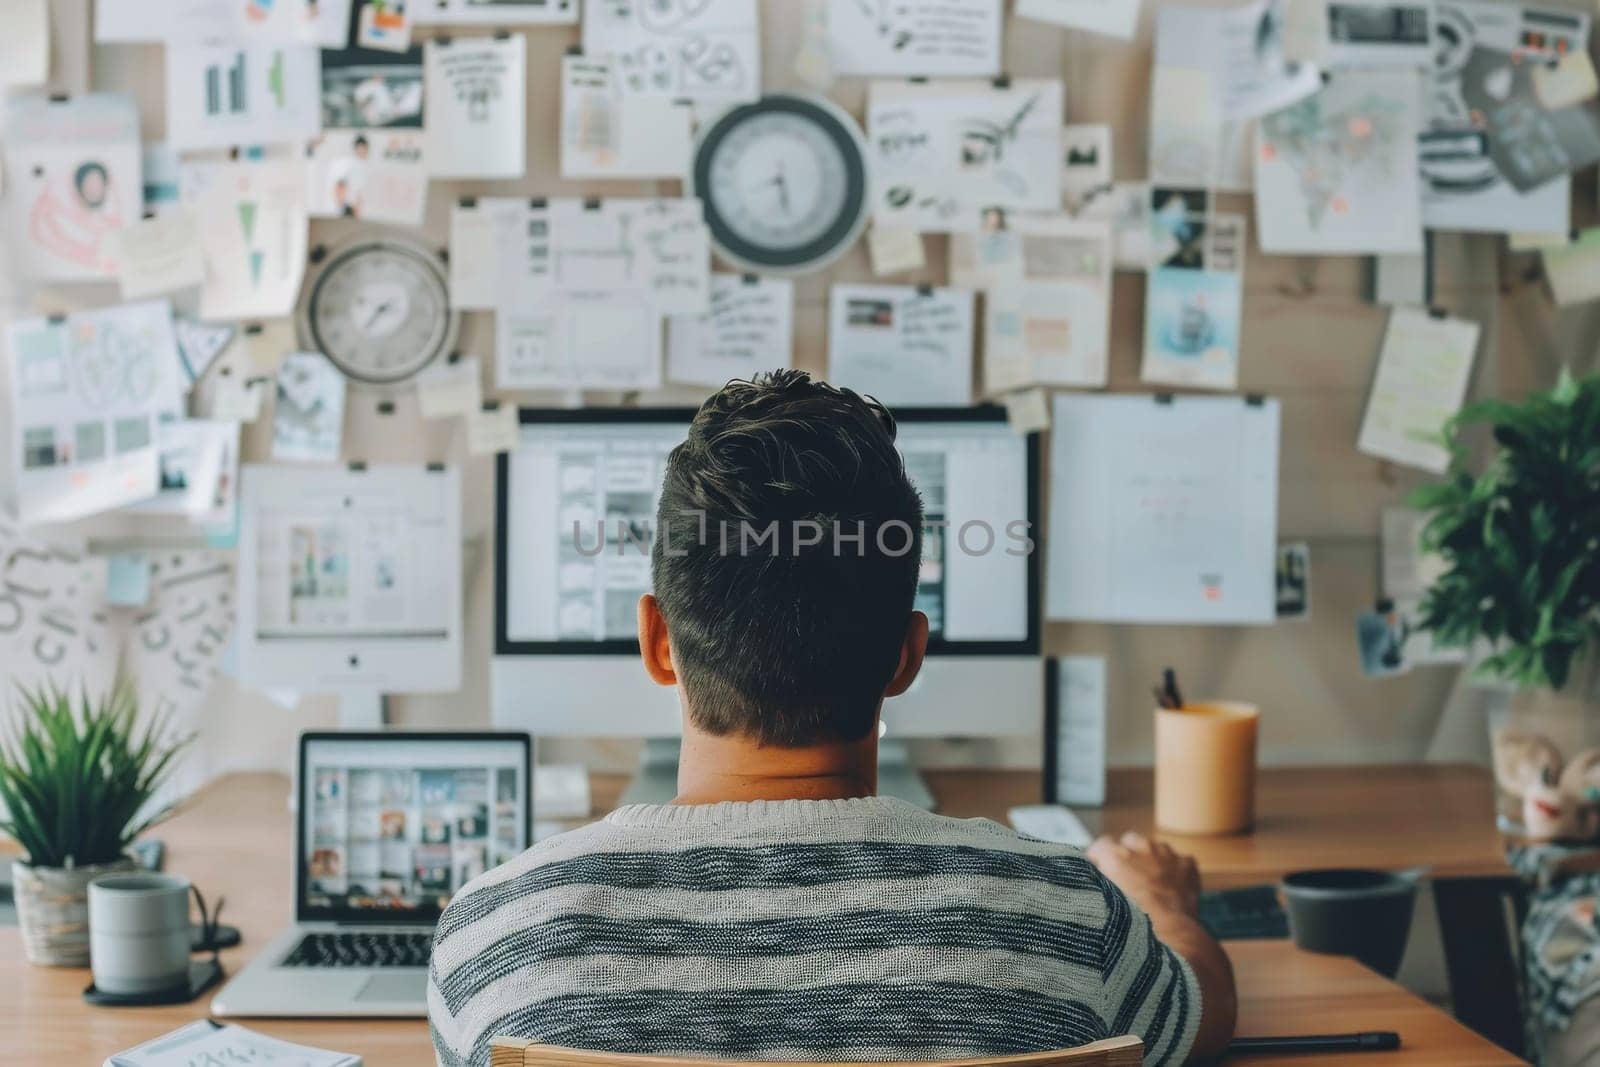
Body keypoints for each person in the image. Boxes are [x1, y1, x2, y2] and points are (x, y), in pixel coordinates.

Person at [428, 371, 1237, 1067]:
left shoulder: (492, 942)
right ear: (907, 655)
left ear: (657, 641)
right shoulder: (1068, 915)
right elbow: (1201, 1013)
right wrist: (1168, 905)